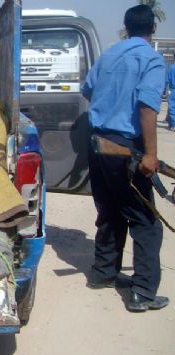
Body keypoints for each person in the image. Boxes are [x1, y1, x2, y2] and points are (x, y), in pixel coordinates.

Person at [81, 5, 168, 312]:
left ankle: (103, 274)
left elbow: (88, 91)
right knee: (145, 221)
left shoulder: (108, 56)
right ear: (152, 29)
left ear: (125, 27)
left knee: (110, 212)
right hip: (124, 148)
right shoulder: (151, 59)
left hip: (98, 144)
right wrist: (152, 154)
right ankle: (144, 292)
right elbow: (147, 107)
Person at [167, 63, 175, 131]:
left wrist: (163, 90)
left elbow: (167, 79)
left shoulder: (171, 67)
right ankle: (171, 124)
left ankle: (173, 124)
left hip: (173, 90)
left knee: (172, 107)